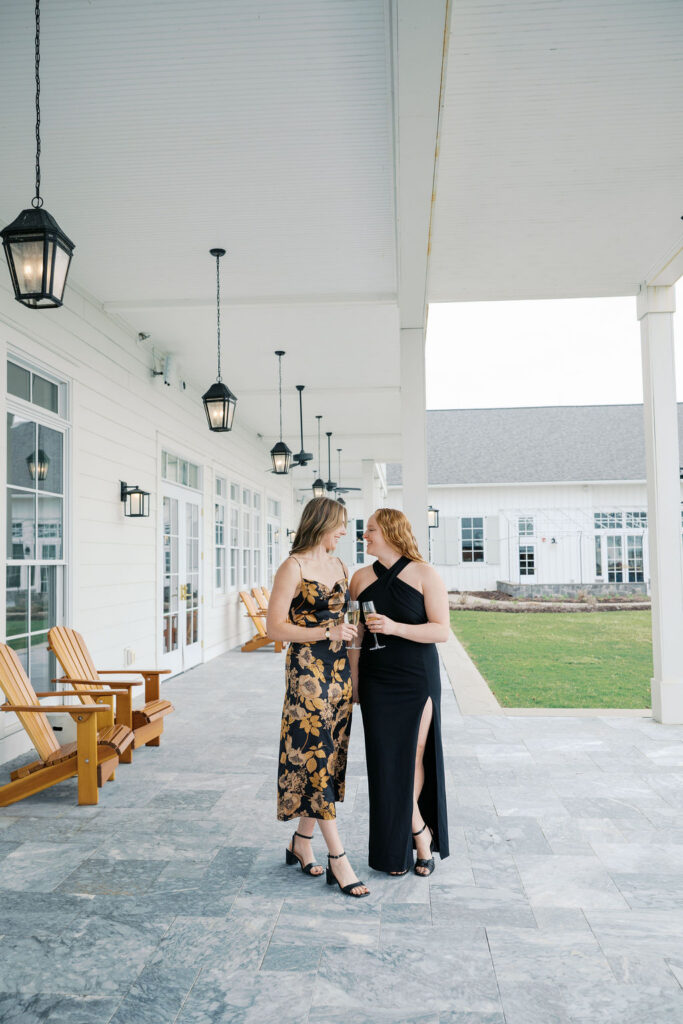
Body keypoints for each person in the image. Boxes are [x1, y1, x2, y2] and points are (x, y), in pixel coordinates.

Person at [267, 496, 369, 898]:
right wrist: (325, 633)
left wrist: (356, 672)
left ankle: (301, 841)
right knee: (314, 751)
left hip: (340, 672)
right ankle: (338, 856)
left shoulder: (341, 566)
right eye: (341, 524)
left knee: (327, 755)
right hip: (307, 671)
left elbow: (350, 620)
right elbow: (275, 628)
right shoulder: (292, 567)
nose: (346, 531)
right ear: (322, 522)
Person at [349, 508, 450, 877]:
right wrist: (356, 682)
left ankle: (417, 835)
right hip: (376, 679)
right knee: (384, 761)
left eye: (370, 529)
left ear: (390, 531)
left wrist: (394, 627)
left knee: (415, 754)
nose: (365, 536)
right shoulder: (359, 579)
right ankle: (416, 834)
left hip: (416, 676)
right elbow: (356, 636)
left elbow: (441, 631)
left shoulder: (425, 574)